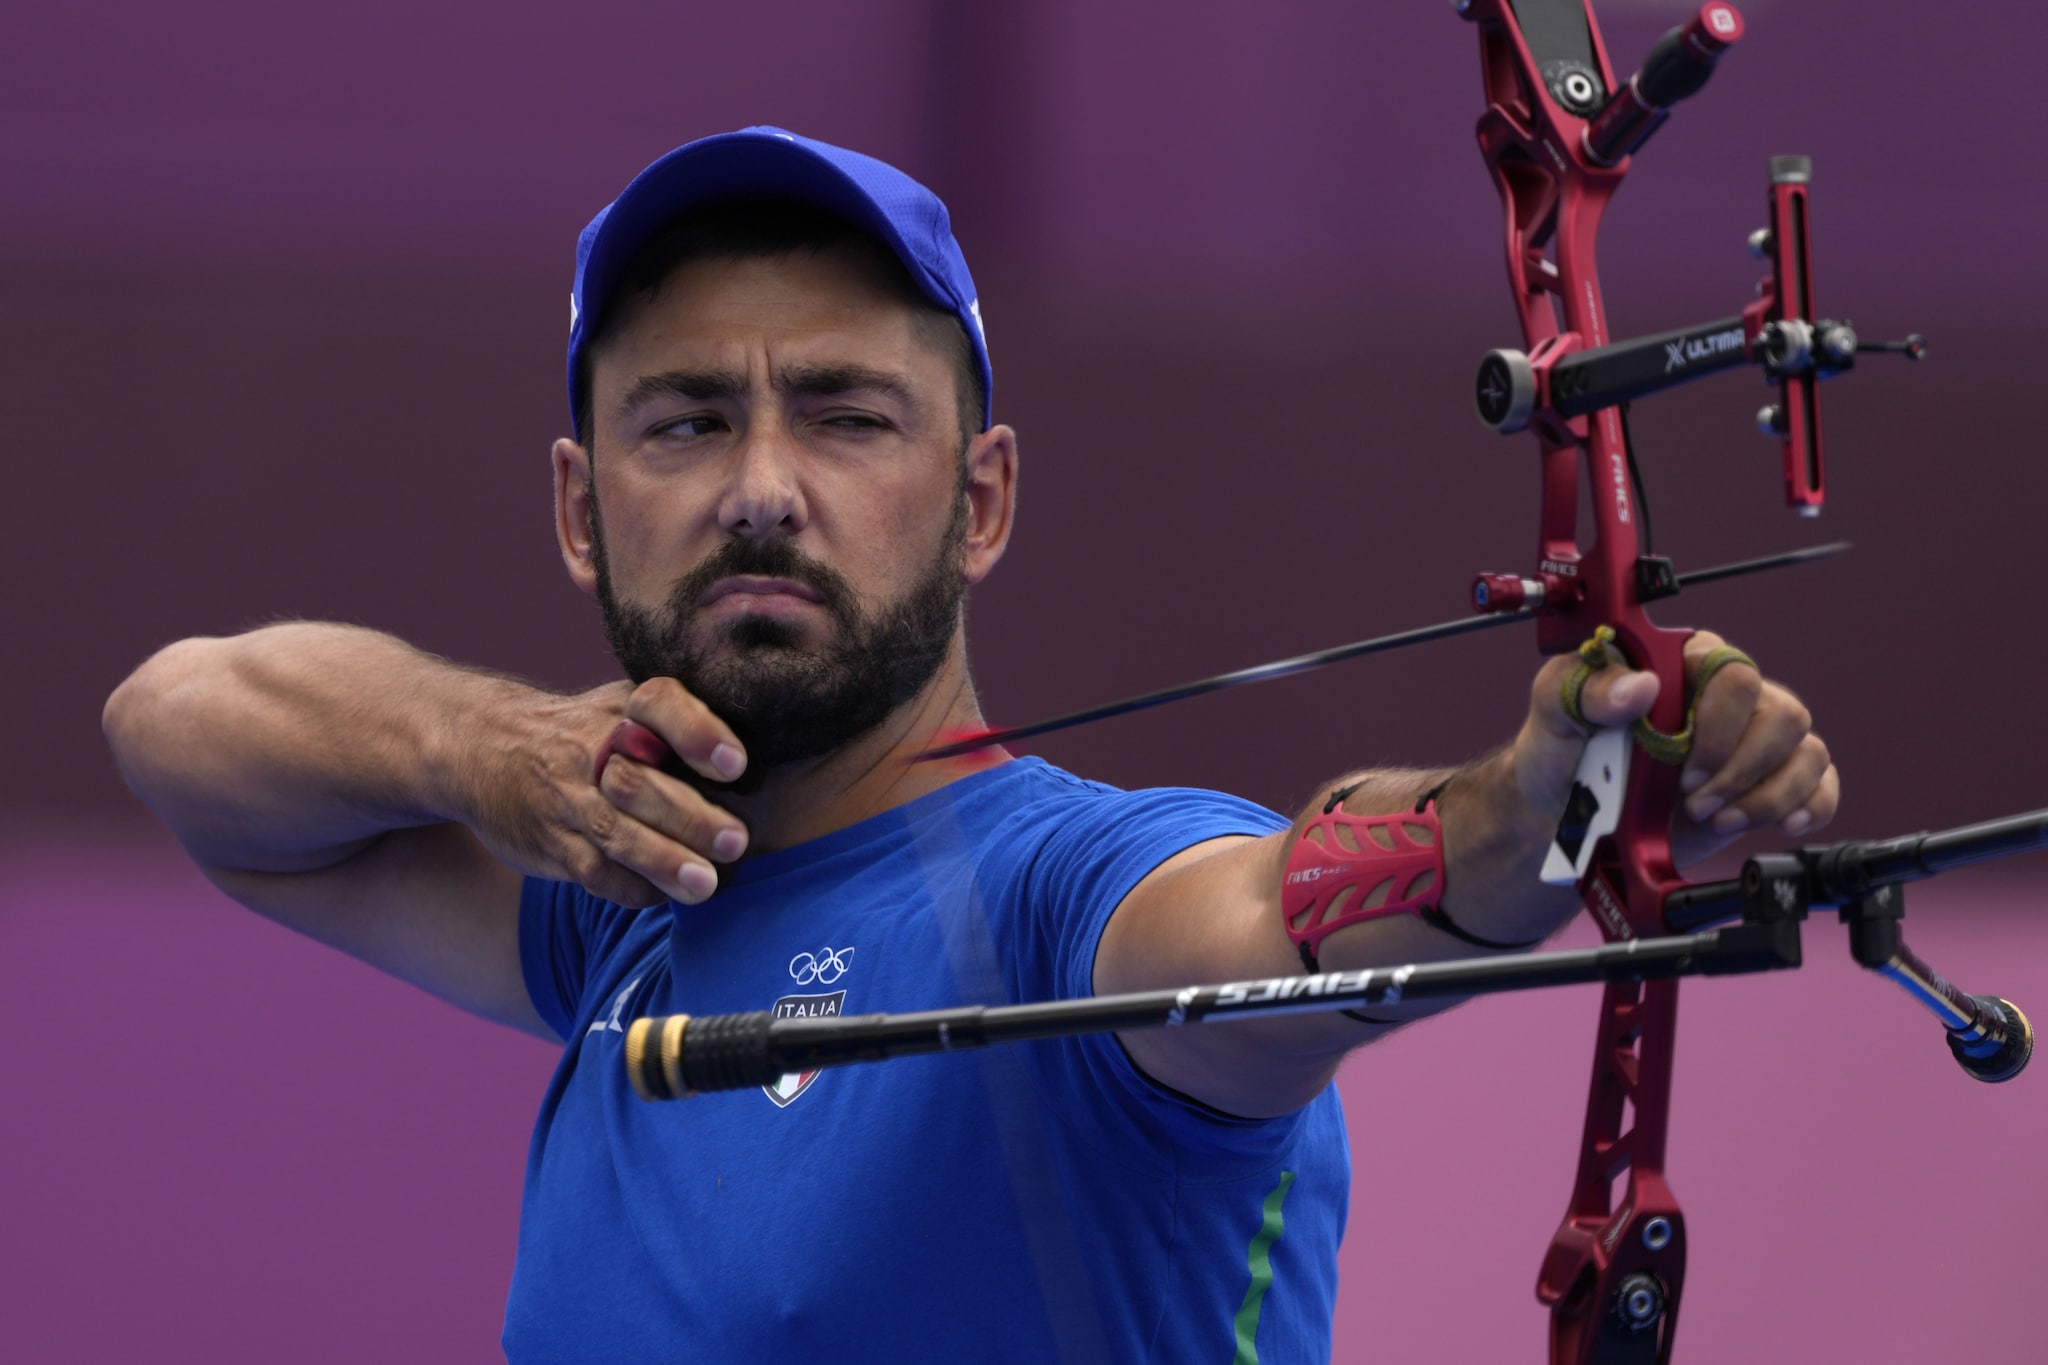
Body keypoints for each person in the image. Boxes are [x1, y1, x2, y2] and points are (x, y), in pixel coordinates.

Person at [101, 127, 1836, 1362]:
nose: (763, 484)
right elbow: (178, 726)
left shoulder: (1065, 893)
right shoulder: (614, 900)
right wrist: (487, 747)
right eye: (687, 418)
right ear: (581, 508)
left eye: (847, 413)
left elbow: (1289, 910)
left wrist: (1541, 802)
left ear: (983, 495)